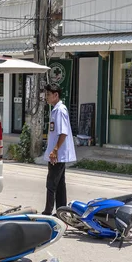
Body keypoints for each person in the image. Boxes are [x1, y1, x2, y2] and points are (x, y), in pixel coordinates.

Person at [42, 83, 76, 216]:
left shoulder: (60, 110)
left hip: (57, 154)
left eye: (48, 95)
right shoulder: (56, 109)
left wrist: (55, 150)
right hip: (57, 153)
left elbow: (63, 133)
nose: (46, 97)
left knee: (51, 184)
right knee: (60, 184)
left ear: (56, 95)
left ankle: (48, 211)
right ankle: (62, 211)